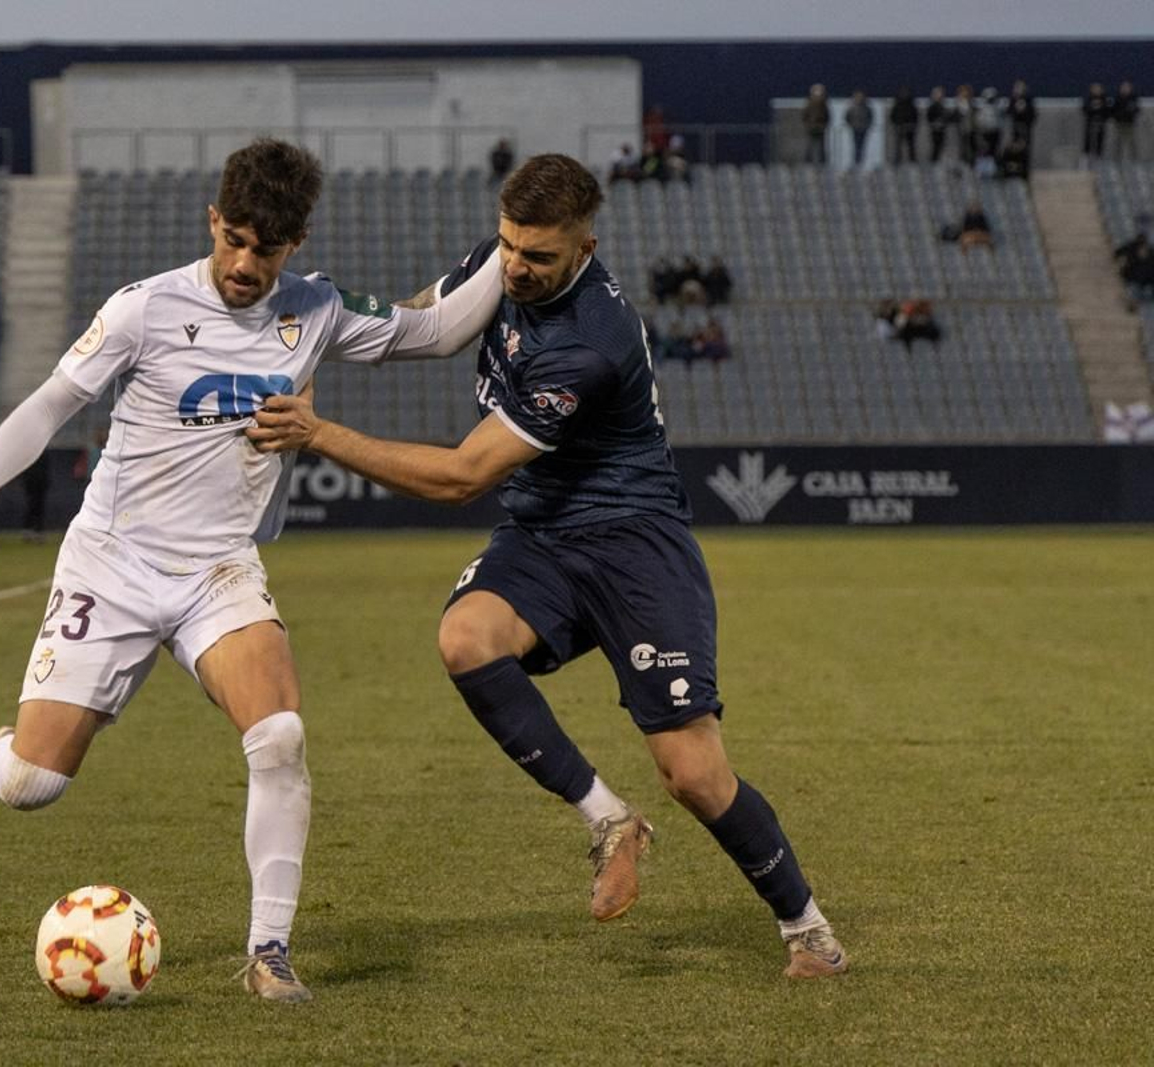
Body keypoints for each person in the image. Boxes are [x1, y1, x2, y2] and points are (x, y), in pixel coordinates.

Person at [0, 138, 503, 1003]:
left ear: (293, 245)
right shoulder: (145, 309)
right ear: (214, 221)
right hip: (111, 563)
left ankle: (268, 949)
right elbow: (49, 404)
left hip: (218, 569)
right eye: (232, 238)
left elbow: (439, 328)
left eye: (264, 248)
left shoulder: (318, 310)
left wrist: (506, 234)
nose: (243, 262)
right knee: (37, 781)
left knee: (280, 735)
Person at [247, 154, 848, 980]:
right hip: (543, 533)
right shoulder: (496, 263)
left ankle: (806, 928)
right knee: (466, 638)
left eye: (539, 258)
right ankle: (607, 819)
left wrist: (318, 432)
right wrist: (321, 327)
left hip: (635, 543)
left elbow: (461, 478)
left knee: (693, 771)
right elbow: (423, 318)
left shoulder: (590, 343)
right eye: (508, 248)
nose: (517, 270)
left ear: (586, 248)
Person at [889, 87, 919, 164]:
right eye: (902, 93)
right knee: (898, 146)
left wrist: (912, 125)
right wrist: (896, 125)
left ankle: (912, 162)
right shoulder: (896, 105)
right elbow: (892, 116)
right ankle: (897, 162)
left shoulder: (912, 105)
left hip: (909, 128)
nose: (904, 95)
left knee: (911, 146)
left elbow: (915, 117)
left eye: (906, 93)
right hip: (899, 128)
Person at [801, 84, 830, 165]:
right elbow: (804, 115)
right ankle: (808, 162)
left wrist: (823, 125)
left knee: (821, 146)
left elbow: (827, 116)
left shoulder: (824, 104)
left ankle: (822, 162)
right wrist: (808, 125)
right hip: (811, 128)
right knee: (810, 145)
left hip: (820, 128)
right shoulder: (809, 103)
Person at [844, 90, 873, 168]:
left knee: (862, 145)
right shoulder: (852, 108)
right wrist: (851, 125)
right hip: (855, 128)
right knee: (856, 145)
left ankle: (861, 162)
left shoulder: (866, 108)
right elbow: (847, 117)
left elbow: (870, 117)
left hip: (863, 128)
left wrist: (867, 125)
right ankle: (856, 161)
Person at [1112, 81, 1140, 161]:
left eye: (1127, 87)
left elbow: (1136, 110)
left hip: (1130, 125)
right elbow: (1114, 111)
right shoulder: (1117, 99)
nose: (1125, 89)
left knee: (1132, 144)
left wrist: (1129, 113)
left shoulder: (1133, 98)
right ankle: (1118, 162)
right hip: (1119, 125)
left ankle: (1134, 162)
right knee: (1118, 145)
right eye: (1123, 87)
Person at [1083, 83, 1112, 160]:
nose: (1096, 91)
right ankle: (1086, 160)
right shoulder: (1088, 98)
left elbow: (1108, 112)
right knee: (1088, 142)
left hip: (1101, 124)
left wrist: (1101, 108)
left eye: (1098, 89)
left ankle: (1099, 160)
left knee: (1100, 142)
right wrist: (1092, 107)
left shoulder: (1105, 99)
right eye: (1094, 89)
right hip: (1090, 124)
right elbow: (1084, 110)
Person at [925, 86, 951, 164]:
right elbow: (929, 118)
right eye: (937, 94)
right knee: (935, 147)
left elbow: (946, 118)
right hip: (935, 131)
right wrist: (935, 124)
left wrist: (943, 122)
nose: (939, 96)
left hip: (942, 131)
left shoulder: (943, 107)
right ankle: (934, 163)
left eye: (941, 94)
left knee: (942, 147)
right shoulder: (932, 107)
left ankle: (940, 162)